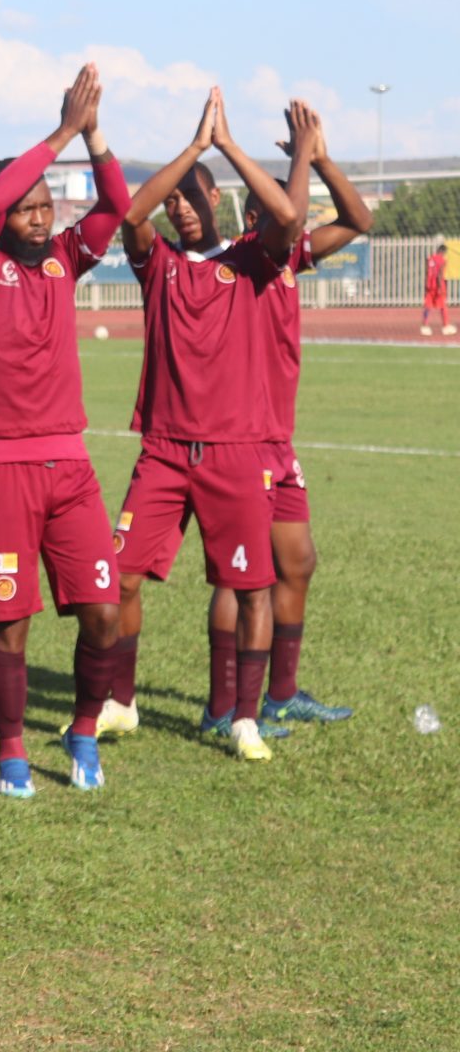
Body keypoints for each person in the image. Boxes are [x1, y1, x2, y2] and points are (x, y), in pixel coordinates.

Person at [0, 65, 129, 797]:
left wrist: (93, 135)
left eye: (46, 206)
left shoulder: (65, 258)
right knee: (10, 624)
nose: (39, 218)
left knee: (106, 615)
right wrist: (61, 132)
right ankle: (12, 753)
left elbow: (116, 203)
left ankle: (83, 730)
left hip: (70, 467)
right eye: (27, 208)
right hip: (3, 470)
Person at [111, 88, 307, 762]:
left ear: (217, 197)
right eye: (174, 200)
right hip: (163, 453)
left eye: (193, 196)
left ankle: (245, 719)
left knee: (251, 588)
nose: (181, 208)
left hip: (235, 453)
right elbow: (130, 213)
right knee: (120, 578)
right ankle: (121, 701)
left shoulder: (251, 260)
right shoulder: (158, 264)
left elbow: (289, 215)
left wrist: (226, 147)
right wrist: (193, 148)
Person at [190, 101, 368, 731]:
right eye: (282, 211)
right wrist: (298, 162)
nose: (296, 220)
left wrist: (320, 159)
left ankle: (282, 693)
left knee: (297, 562)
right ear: (256, 218)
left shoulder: (288, 259)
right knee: (239, 578)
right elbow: (290, 217)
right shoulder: (243, 259)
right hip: (240, 441)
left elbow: (359, 218)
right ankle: (221, 707)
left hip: (277, 440)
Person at [426, 241, 451, 337]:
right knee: (443, 306)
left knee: (428, 306)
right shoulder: (442, 260)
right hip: (438, 285)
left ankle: (425, 325)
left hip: (430, 285)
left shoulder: (430, 258)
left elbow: (427, 272)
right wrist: (440, 287)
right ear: (443, 252)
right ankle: (445, 326)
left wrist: (426, 284)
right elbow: (440, 274)